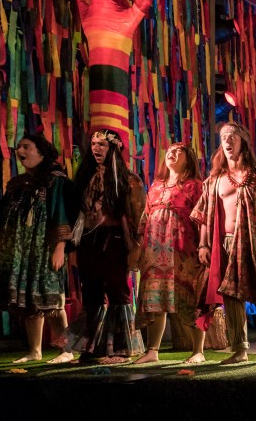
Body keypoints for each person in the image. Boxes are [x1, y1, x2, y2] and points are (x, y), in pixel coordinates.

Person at [191, 122, 256, 364]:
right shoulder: (214, 181)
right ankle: (239, 350)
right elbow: (203, 216)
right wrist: (203, 245)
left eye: (232, 136)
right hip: (224, 243)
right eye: (224, 136)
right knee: (231, 295)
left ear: (242, 142)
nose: (227, 140)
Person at [0, 134, 78, 364]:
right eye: (18, 148)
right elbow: (1, 217)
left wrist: (60, 247)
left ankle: (67, 350)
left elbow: (61, 213)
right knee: (29, 301)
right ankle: (35, 351)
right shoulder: (17, 184)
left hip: (45, 248)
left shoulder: (55, 180)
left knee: (52, 298)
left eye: (26, 147)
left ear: (41, 152)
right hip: (21, 249)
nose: (20, 151)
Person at [66, 128, 147, 364]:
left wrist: (136, 246)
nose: (96, 148)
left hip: (115, 239)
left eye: (101, 144)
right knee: (91, 291)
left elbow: (138, 216)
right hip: (88, 239)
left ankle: (121, 349)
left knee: (117, 289)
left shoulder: (128, 179)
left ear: (113, 149)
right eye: (93, 144)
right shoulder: (85, 177)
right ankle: (92, 349)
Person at [135, 142, 206, 364]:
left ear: (189, 158)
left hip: (184, 252)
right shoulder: (156, 186)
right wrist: (139, 248)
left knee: (189, 299)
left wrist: (204, 246)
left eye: (178, 151)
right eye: (170, 151)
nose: (172, 154)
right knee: (155, 299)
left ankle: (198, 351)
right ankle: (152, 351)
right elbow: (145, 218)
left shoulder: (195, 186)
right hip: (154, 252)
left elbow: (204, 219)